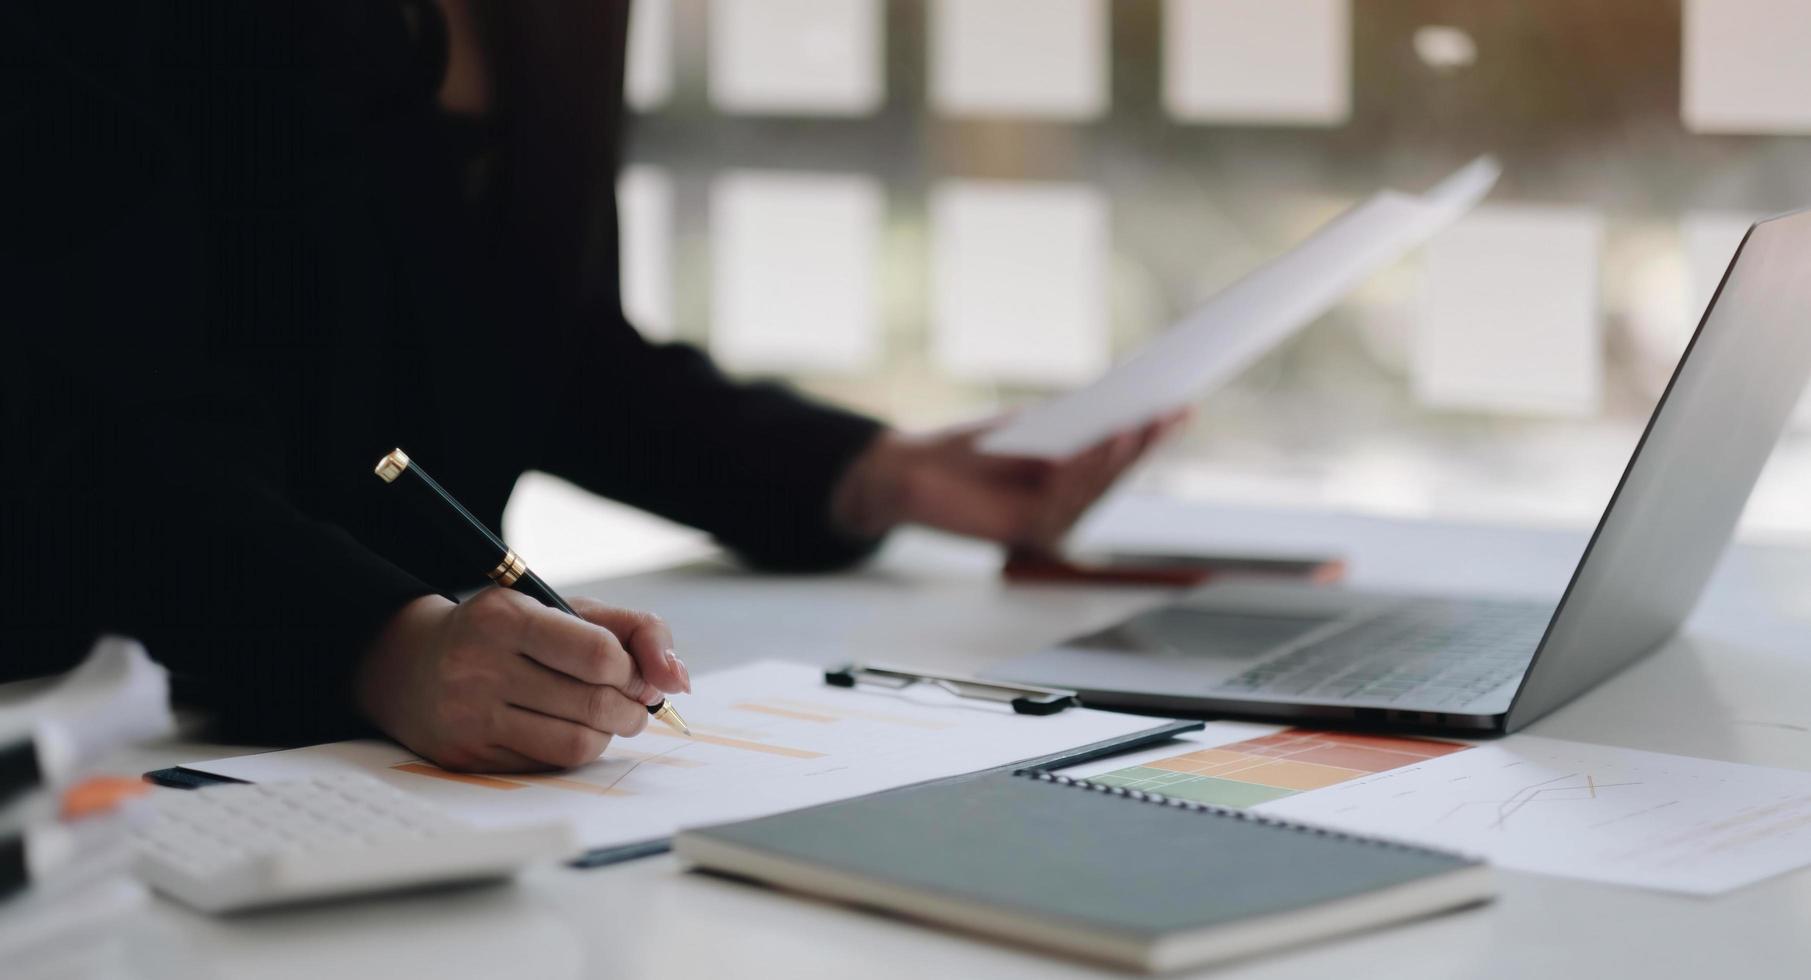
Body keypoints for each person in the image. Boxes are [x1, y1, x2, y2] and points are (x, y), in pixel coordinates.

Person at [1, 1, 1178, 772]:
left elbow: (538, 335)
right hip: (89, 732)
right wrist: (375, 639)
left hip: (409, 763)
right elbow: (88, 419)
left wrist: (872, 474)